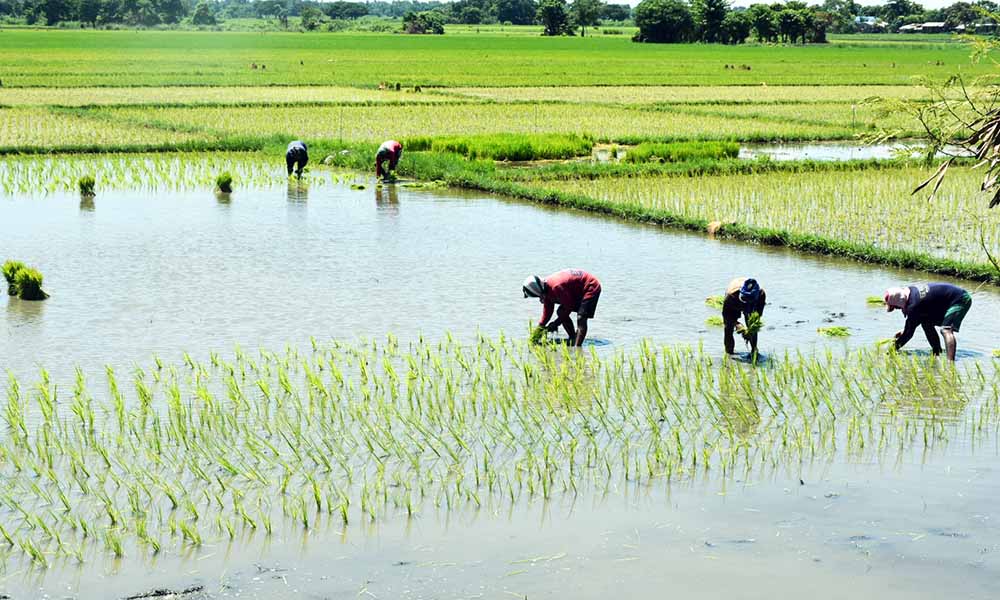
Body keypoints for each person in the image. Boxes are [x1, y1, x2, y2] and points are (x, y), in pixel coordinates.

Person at [884, 283, 972, 361]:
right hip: (951, 299)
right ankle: (937, 351)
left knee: (946, 330)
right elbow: (915, 320)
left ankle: (950, 364)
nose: (897, 309)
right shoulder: (911, 293)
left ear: (899, 302)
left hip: (960, 299)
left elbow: (908, 335)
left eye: (895, 307)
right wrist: (906, 330)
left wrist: (891, 350)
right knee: (925, 322)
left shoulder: (913, 305)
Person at [522, 269, 602, 347]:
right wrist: (537, 334)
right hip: (577, 289)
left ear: (538, 291)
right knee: (561, 312)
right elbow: (547, 315)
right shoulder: (546, 289)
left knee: (581, 317)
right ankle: (573, 338)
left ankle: (577, 348)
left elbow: (568, 307)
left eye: (538, 296)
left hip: (590, 286)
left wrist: (556, 324)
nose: (540, 299)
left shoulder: (556, 287)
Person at [723, 277, 766, 355]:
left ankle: (754, 351)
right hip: (735, 302)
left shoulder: (761, 295)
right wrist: (737, 324)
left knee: (753, 326)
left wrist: (750, 331)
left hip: (753, 304)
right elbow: (727, 316)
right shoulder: (731, 297)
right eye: (745, 301)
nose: (746, 305)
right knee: (728, 328)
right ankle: (729, 354)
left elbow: (757, 317)